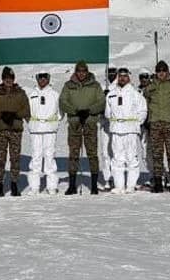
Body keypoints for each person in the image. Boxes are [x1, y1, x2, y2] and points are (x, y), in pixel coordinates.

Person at [59, 61, 106, 195]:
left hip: (90, 122)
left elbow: (101, 102)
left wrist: (90, 110)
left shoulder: (95, 85)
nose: (81, 74)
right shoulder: (68, 85)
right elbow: (63, 102)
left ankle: (94, 185)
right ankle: (72, 185)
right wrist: (74, 111)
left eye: (84, 71)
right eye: (79, 71)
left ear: (87, 71)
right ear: (75, 72)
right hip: (75, 123)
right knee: (73, 153)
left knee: (92, 153)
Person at [0, 66, 30, 196]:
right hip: (1, 129)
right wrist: (0, 115)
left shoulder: (20, 93)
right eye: (6, 78)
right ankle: (0, 184)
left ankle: (14, 183)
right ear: (2, 79)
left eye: (10, 78)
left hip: (15, 129)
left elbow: (26, 110)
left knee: (15, 157)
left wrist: (15, 114)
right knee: (1, 158)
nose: (8, 80)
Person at [144, 60, 170, 193]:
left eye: (163, 70)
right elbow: (145, 103)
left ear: (167, 71)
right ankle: (158, 183)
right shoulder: (150, 87)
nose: (161, 73)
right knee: (157, 154)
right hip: (155, 123)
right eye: (158, 71)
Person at [105, 68, 147, 193]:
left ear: (129, 77)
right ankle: (119, 186)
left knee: (131, 158)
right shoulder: (111, 94)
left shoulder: (135, 94)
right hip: (116, 129)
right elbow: (107, 113)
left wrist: (136, 123)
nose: (122, 78)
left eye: (125, 76)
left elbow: (143, 111)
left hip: (131, 130)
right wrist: (114, 122)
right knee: (117, 158)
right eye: (120, 76)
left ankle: (130, 185)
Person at [26, 71, 63, 194]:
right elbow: (27, 111)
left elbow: (60, 113)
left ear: (48, 79)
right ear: (37, 79)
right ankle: (34, 187)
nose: (42, 79)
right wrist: (31, 122)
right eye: (40, 77)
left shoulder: (55, 95)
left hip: (50, 129)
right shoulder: (31, 94)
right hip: (36, 129)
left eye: (45, 77)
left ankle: (51, 186)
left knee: (49, 156)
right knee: (36, 156)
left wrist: (54, 122)